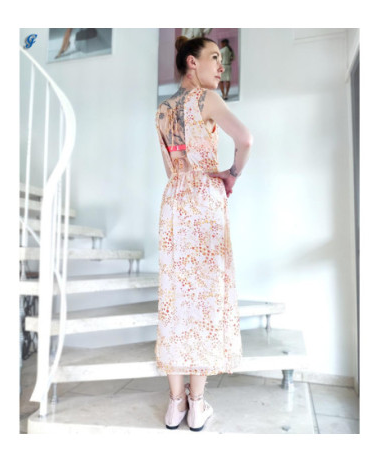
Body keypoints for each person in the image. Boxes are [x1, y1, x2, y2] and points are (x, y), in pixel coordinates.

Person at [154, 35, 253, 431]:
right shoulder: (207, 99)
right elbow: (245, 139)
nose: (221, 65)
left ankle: (174, 405)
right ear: (191, 62)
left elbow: (170, 169)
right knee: (205, 301)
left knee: (175, 300)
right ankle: (197, 405)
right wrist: (232, 174)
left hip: (174, 201)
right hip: (205, 200)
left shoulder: (162, 111)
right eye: (213, 57)